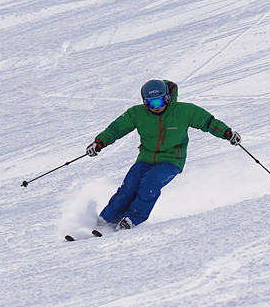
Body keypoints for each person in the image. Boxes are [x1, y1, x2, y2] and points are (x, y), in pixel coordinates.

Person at [86, 79, 241, 230]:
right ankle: (106, 221)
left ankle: (132, 219)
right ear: (145, 103)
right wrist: (100, 142)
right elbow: (116, 129)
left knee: (150, 183)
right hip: (146, 158)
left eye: (160, 101)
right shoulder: (137, 113)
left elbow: (208, 122)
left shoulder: (185, 111)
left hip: (172, 160)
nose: (156, 107)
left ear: (167, 97)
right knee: (129, 187)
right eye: (151, 103)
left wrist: (227, 133)